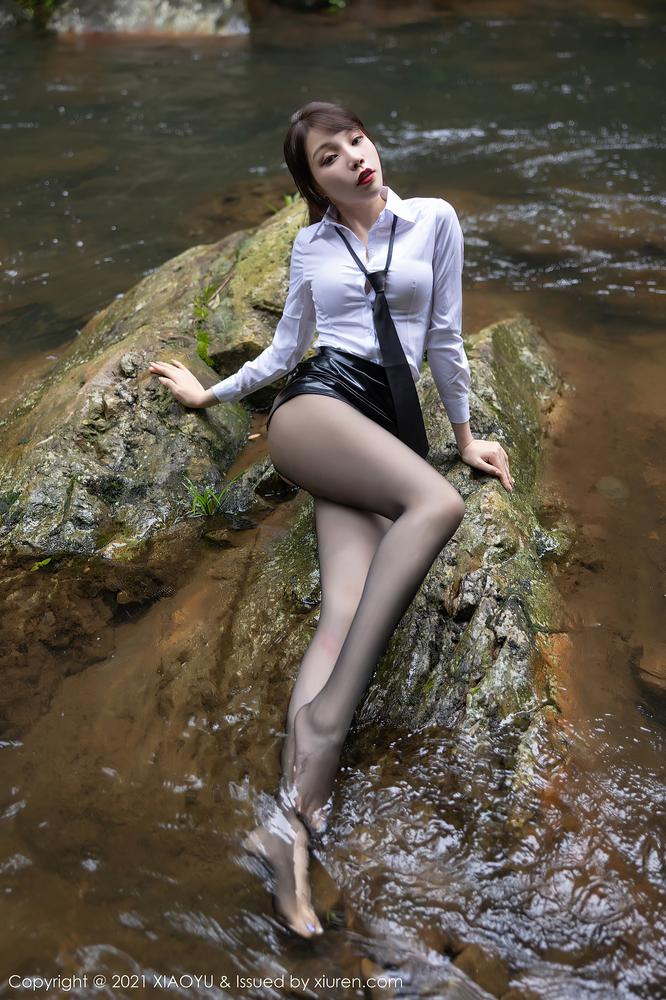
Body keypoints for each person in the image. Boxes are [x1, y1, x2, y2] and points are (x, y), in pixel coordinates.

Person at [148, 101, 513, 939]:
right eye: (328, 157)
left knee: (344, 612)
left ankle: (286, 826)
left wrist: (465, 436)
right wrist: (209, 394)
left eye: (355, 139)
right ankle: (326, 722)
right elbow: (287, 350)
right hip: (316, 413)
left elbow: (445, 337)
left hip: (377, 437)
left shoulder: (433, 221)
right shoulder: (312, 245)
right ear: (313, 185)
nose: (352, 157)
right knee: (437, 503)